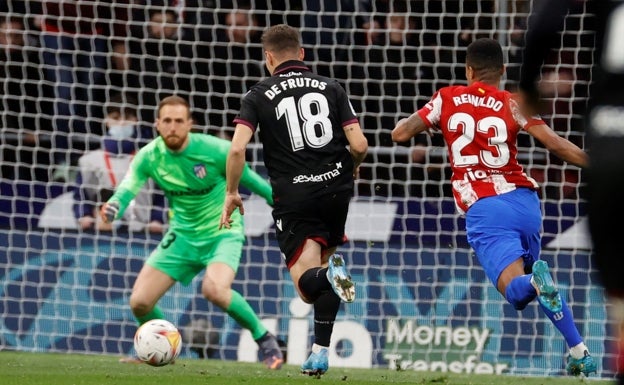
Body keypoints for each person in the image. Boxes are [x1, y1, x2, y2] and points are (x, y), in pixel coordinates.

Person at [391, 38, 596, 376]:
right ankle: (579, 350)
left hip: (486, 208)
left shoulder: (446, 98)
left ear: (468, 70)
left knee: (518, 292)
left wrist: (432, 125)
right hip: (526, 203)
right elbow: (555, 144)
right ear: (502, 70)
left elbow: (400, 134)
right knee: (537, 284)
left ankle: (535, 283)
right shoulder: (513, 102)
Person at [219, 24, 368, 377]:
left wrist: (231, 192)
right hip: (336, 190)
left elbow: (238, 147)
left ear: (268, 57)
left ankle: (330, 282)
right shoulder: (331, 87)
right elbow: (360, 144)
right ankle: (319, 353)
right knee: (322, 277)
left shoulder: (257, 94)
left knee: (307, 286)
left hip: (295, 196)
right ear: (301, 54)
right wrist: (352, 168)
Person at [100, 95, 284, 369]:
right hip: (183, 235)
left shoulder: (216, 150)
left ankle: (267, 341)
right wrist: (113, 206)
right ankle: (163, 346)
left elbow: (252, 181)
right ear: (157, 124)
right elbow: (129, 186)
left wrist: (284, 207)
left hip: (222, 231)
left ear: (189, 124)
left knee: (214, 290)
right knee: (139, 302)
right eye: (167, 121)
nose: (172, 127)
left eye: (178, 121)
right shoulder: (149, 156)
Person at [518, 1, 624, 381]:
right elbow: (554, 143)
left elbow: (545, 23)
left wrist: (529, 85)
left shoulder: (450, 99)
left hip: (609, 142)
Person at [73, 95, 165, 233]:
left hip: (143, 233)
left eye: (127, 117)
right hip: (101, 233)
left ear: (136, 120)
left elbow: (161, 196)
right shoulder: (89, 161)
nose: (122, 123)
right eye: (116, 117)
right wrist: (83, 216)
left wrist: (157, 220)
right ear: (106, 121)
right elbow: (81, 196)